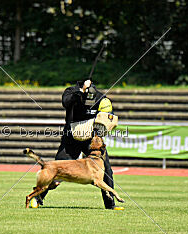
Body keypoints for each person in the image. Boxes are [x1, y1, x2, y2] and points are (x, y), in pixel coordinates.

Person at [31, 79, 124, 210]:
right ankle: (37, 198)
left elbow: (108, 114)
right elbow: (66, 103)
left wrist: (110, 119)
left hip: (91, 141)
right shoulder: (71, 92)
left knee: (107, 171)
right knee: (55, 171)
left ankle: (110, 205)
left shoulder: (99, 97)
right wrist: (81, 92)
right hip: (71, 139)